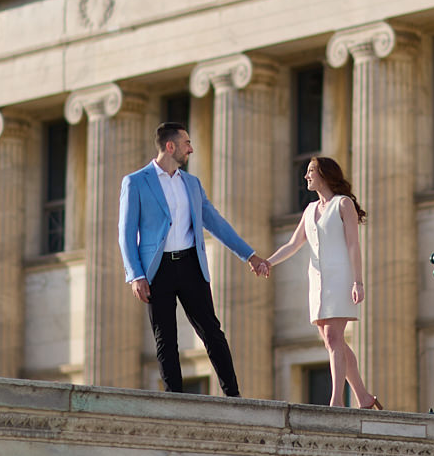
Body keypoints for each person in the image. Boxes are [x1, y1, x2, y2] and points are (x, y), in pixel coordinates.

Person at [118, 121, 269, 396]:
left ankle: (233, 394)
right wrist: (135, 275)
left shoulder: (192, 183)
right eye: (187, 143)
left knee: (212, 331)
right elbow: (126, 234)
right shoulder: (136, 182)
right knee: (166, 339)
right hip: (156, 269)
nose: (192, 149)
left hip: (190, 265)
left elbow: (215, 222)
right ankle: (175, 398)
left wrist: (249, 255)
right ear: (170, 146)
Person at [266, 156, 382, 409]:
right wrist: (268, 262)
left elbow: (353, 244)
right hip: (318, 280)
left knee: (332, 338)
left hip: (341, 278)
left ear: (324, 175)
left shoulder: (343, 204)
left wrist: (358, 282)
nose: (306, 176)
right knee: (334, 340)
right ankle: (363, 397)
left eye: (311, 171)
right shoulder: (309, 210)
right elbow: (293, 244)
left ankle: (337, 400)